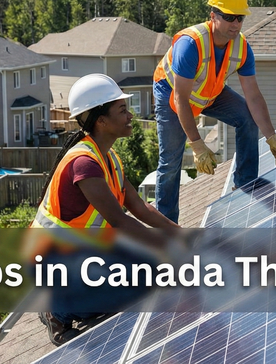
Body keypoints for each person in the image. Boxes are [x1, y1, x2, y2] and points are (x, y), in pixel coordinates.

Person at [31, 73, 181, 346]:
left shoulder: (108, 158)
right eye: (122, 110)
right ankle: (57, 311)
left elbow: (140, 207)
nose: (130, 116)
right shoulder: (84, 164)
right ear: (101, 120)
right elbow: (119, 221)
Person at [153, 0, 276, 223]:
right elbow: (181, 99)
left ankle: (245, 183)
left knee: (247, 117)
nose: (235, 24)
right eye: (228, 17)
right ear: (213, 15)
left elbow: (254, 97)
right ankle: (166, 225)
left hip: (209, 92)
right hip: (171, 93)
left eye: (240, 18)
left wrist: (272, 138)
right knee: (171, 162)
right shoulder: (190, 44)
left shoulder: (242, 48)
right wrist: (197, 144)